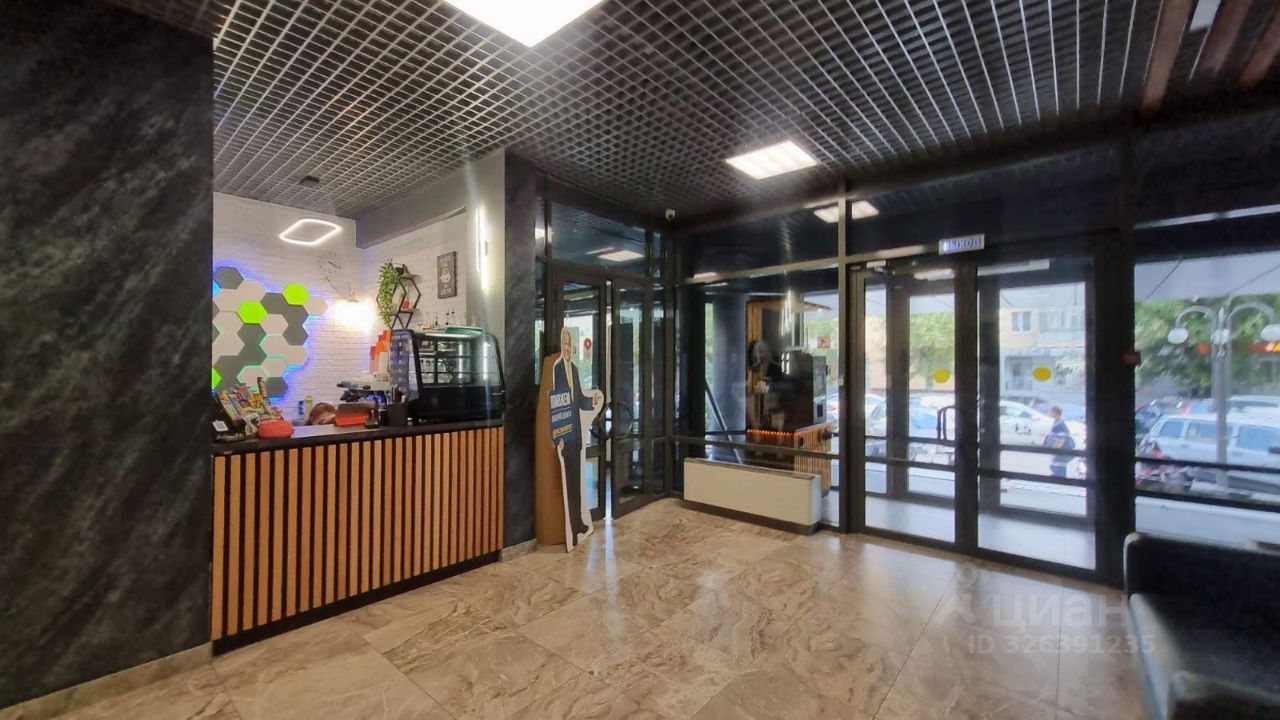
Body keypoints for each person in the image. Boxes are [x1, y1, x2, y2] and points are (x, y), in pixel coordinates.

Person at [551, 326, 603, 546]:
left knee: (576, 482)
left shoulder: (573, 369)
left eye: (569, 344)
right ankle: (572, 527)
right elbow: (555, 404)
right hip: (565, 434)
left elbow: (579, 400)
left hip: (577, 436)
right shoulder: (556, 370)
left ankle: (578, 523)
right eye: (564, 343)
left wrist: (594, 401)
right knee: (568, 482)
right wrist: (558, 438)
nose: (567, 348)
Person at [1045, 406, 1075, 477]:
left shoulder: (1060, 425)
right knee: (1056, 469)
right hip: (1060, 453)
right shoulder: (1056, 423)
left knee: (1059, 471)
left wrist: (1055, 451)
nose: (1050, 414)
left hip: (1061, 452)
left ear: (1055, 413)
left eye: (1051, 412)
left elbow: (1061, 439)